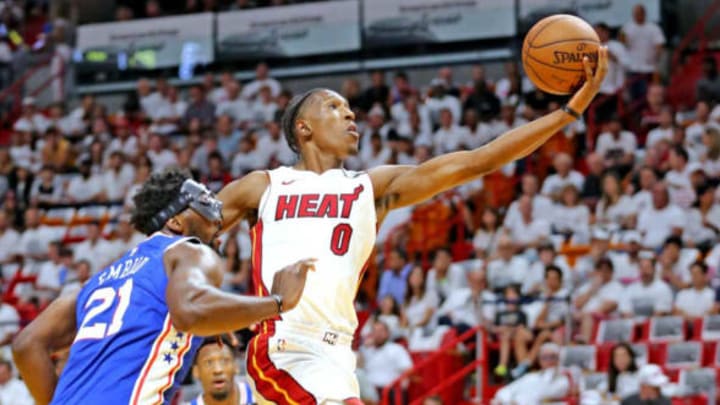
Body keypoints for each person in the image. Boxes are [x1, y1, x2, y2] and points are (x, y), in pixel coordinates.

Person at [217, 49, 608, 403]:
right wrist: (215, 314)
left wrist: (568, 113)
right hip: (284, 347)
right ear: (304, 129)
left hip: (337, 356)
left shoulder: (369, 188)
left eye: (350, 108)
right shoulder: (264, 186)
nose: (351, 114)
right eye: (335, 108)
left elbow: (479, 160)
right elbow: (187, 234)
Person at [12, 169, 315, 405]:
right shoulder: (190, 249)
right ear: (176, 222)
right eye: (206, 207)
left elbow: (27, 345)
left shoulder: (101, 279)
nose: (218, 219)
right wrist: (277, 302)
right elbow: (191, 311)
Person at [188, 337, 254, 405]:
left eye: (225, 361)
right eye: (209, 362)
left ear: (236, 366)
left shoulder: (261, 396)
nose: (218, 370)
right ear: (195, 371)